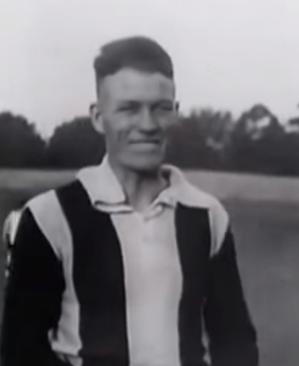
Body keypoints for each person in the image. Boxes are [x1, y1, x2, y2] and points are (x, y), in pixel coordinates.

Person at [1, 36, 258, 366]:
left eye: (161, 108)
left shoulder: (207, 215)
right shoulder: (49, 217)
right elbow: (22, 351)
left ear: (176, 114)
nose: (148, 125)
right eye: (128, 108)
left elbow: (234, 338)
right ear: (98, 117)